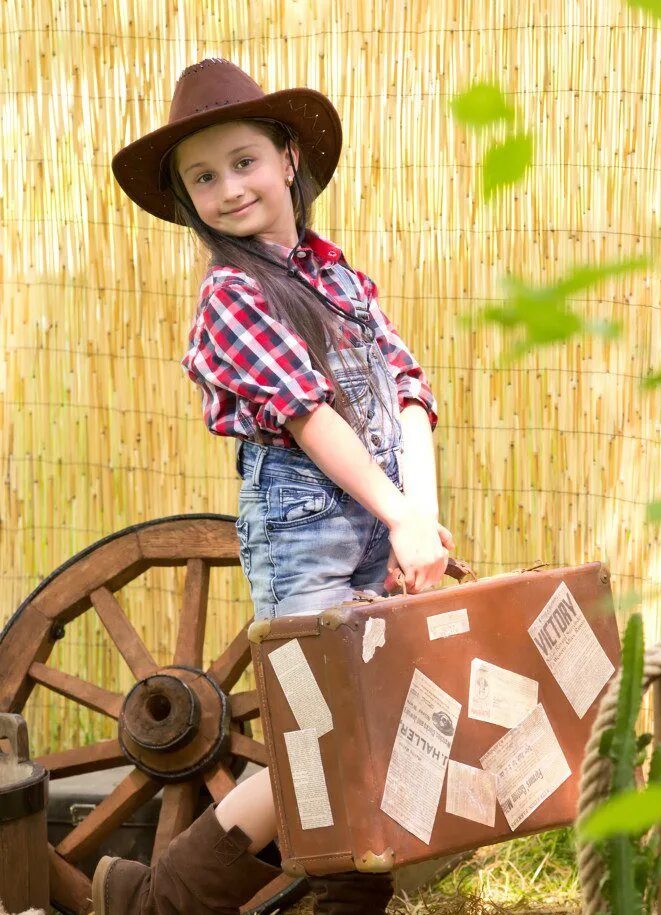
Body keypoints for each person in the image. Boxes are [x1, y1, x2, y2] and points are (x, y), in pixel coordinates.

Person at [100, 57, 455, 915]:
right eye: (204, 177)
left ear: (289, 156)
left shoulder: (340, 278)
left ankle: (146, 897)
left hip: (383, 523)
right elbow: (309, 416)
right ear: (190, 199)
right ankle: (156, 903)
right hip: (307, 542)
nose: (229, 188)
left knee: (375, 739)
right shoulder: (230, 294)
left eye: (245, 160)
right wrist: (397, 513)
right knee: (324, 747)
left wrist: (422, 524)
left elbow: (408, 392)